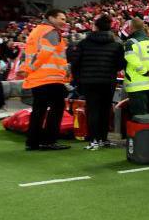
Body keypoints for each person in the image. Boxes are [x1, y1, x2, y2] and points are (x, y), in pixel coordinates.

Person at [69, 16, 124, 150]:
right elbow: (120, 65)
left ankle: (93, 140)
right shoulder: (116, 44)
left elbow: (75, 63)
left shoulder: (83, 43)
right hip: (108, 81)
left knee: (92, 110)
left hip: (89, 82)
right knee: (105, 110)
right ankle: (103, 139)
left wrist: (79, 80)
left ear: (96, 27)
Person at [19, 9, 71, 150]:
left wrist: (27, 70)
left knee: (39, 110)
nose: (64, 22)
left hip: (38, 78)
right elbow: (44, 54)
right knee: (57, 107)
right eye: (61, 18)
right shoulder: (51, 32)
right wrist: (31, 69)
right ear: (51, 18)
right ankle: (49, 140)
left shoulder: (36, 31)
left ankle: (32, 142)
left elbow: (30, 54)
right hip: (50, 78)